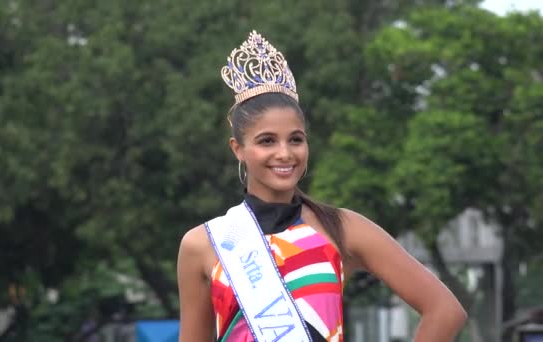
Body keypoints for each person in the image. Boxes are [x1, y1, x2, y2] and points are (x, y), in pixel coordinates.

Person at [177, 31, 467, 342]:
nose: (285, 153)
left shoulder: (342, 227)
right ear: (238, 149)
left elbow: (444, 311)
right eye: (267, 141)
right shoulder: (204, 244)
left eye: (296, 139)